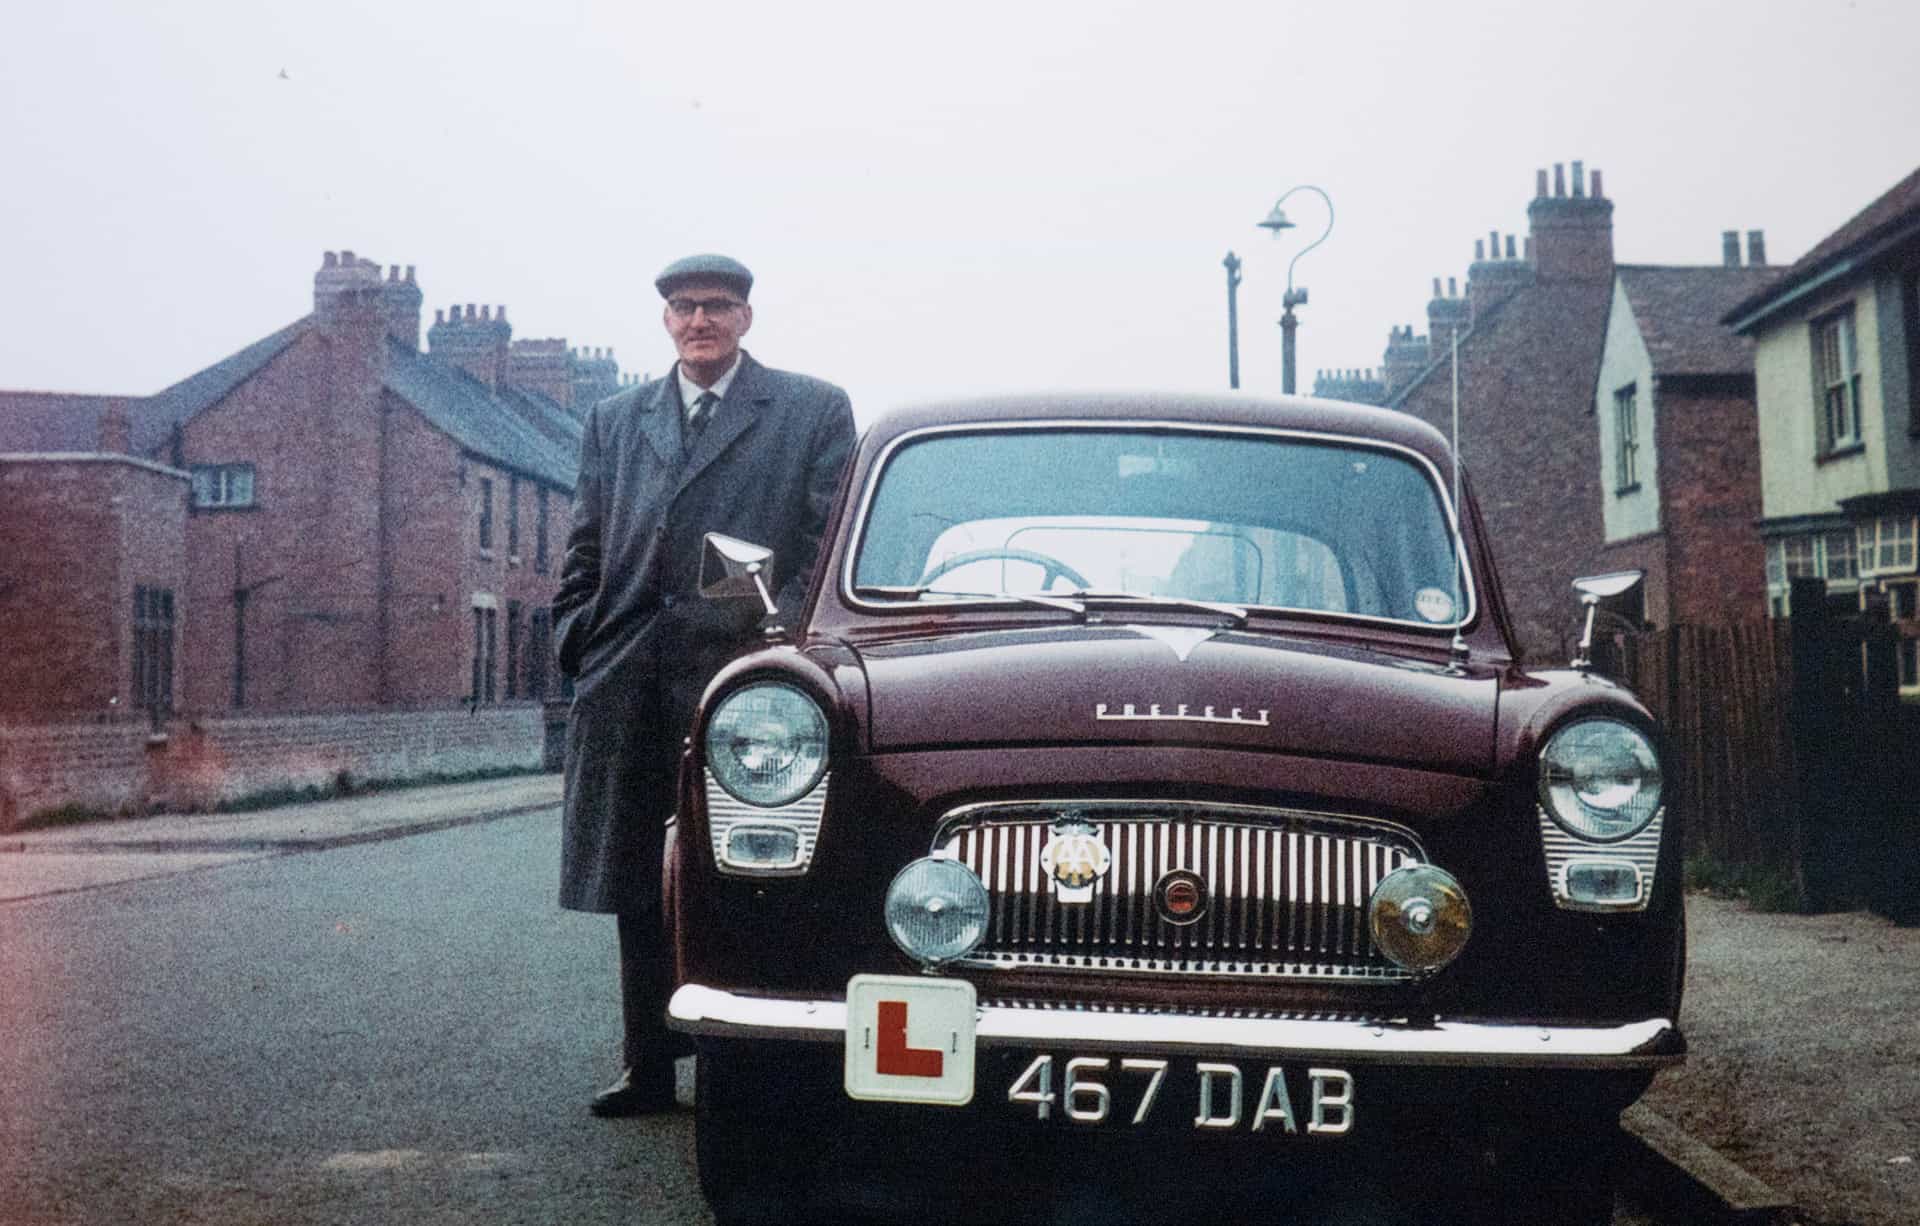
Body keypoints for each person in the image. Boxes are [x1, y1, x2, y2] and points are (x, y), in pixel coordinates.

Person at [552, 253, 856, 1116]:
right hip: (627, 677)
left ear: (746, 318)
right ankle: (646, 1063)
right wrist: (578, 634)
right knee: (638, 879)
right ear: (665, 321)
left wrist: (781, 642)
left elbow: (823, 543)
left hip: (746, 688)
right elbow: (584, 547)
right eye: (685, 308)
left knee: (756, 872)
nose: (700, 322)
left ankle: (760, 1069)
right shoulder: (616, 419)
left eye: (717, 307)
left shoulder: (810, 408)